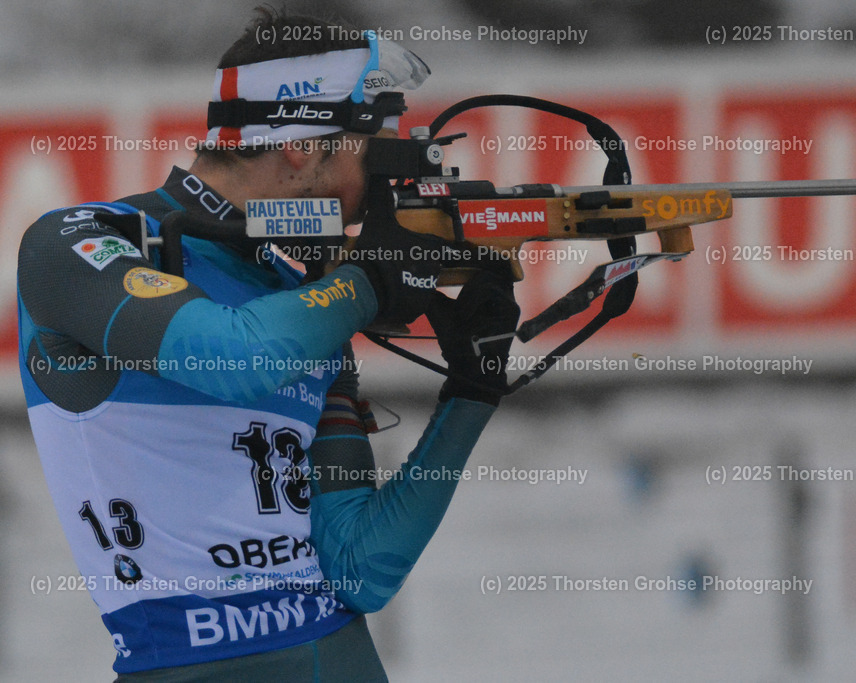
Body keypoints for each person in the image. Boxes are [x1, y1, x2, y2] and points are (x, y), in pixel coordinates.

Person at [17, 7, 518, 681]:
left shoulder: (300, 294)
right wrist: (366, 281)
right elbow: (233, 358)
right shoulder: (78, 241)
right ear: (302, 145)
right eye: (376, 152)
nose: (382, 191)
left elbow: (360, 570)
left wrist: (472, 391)